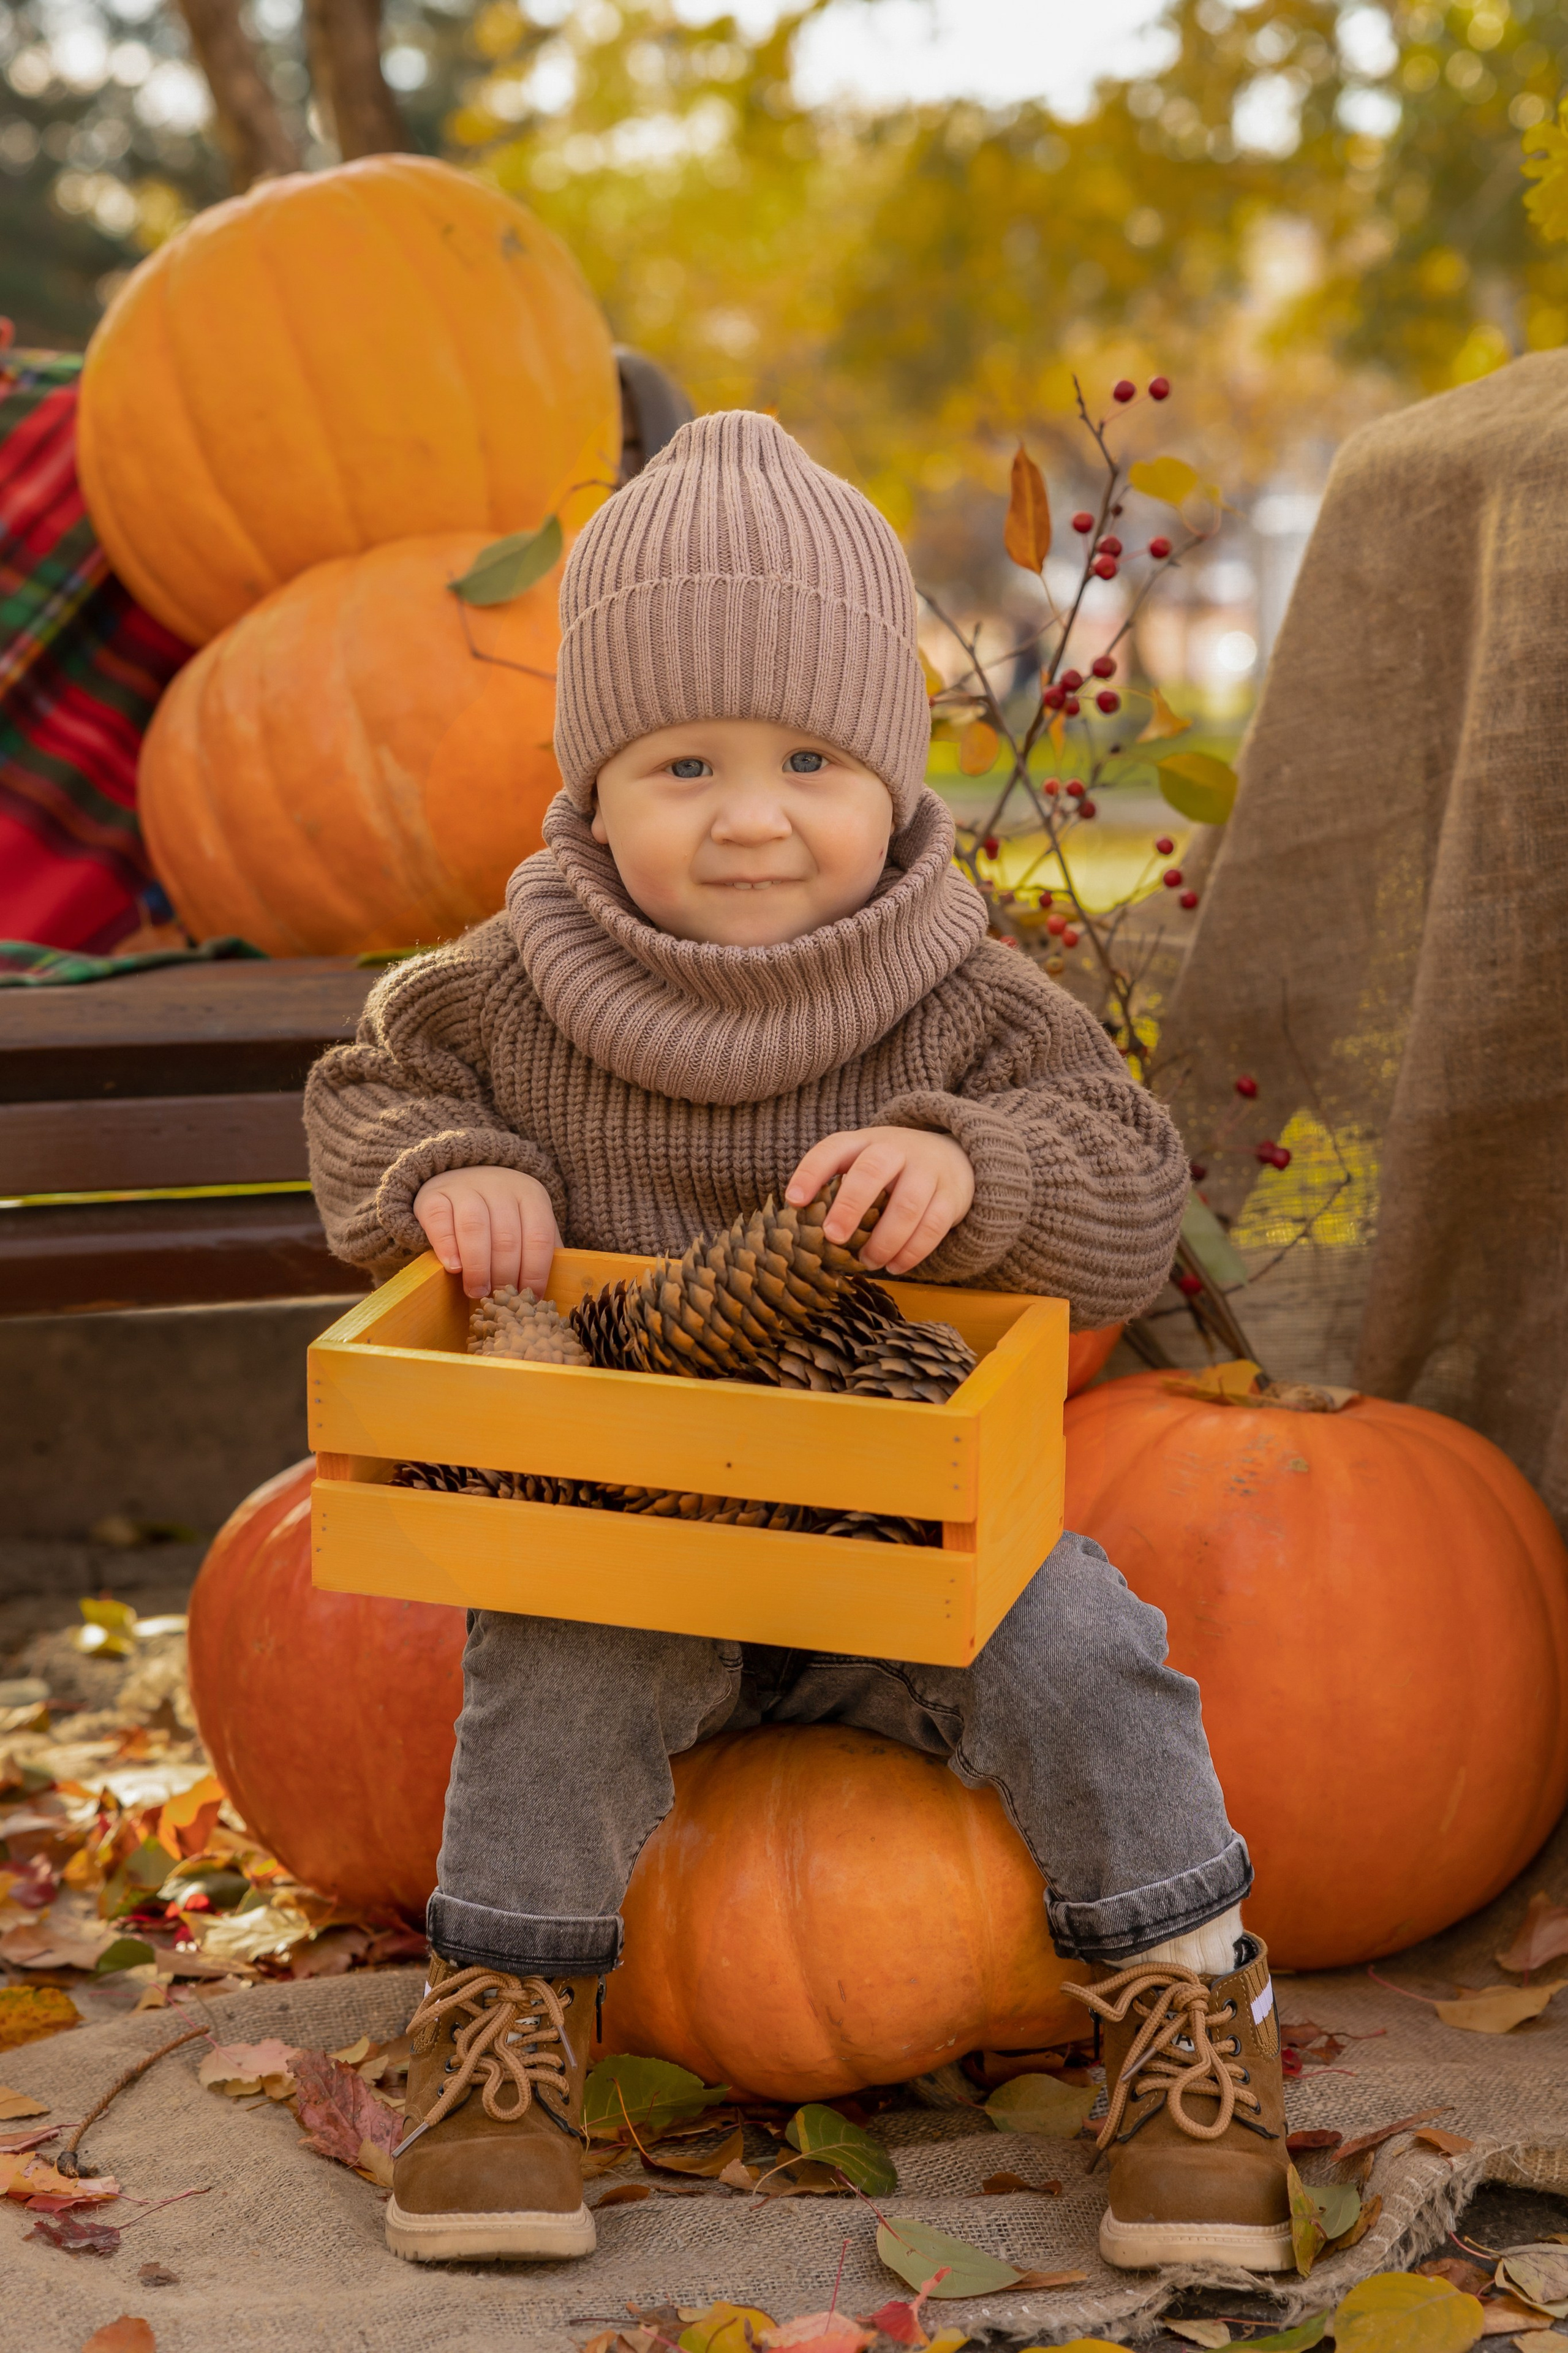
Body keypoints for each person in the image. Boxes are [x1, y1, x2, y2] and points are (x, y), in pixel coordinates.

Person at [304, 410, 1288, 2275]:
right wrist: (452, 1174)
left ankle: (1184, 1991)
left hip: (902, 1545)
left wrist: (970, 1162)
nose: (751, 814)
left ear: (899, 780)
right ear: (591, 784)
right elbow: (368, 1098)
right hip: (626, 1533)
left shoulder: (973, 992)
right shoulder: (502, 992)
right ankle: (511, 2034)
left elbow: (1129, 1189)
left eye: (811, 759)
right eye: (682, 761)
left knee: (1086, 1640)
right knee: (551, 1660)